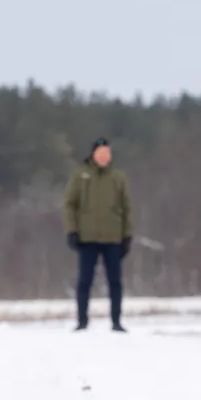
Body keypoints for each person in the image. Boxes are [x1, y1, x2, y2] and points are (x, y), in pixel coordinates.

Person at [63, 137, 133, 332]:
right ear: (93, 154)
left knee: (115, 282)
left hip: (113, 237)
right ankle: (82, 321)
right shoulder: (80, 176)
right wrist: (72, 230)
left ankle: (116, 321)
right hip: (87, 237)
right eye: (101, 153)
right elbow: (70, 204)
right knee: (85, 281)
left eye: (107, 153)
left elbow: (126, 208)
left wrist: (127, 235)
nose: (104, 157)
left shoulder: (118, 178)